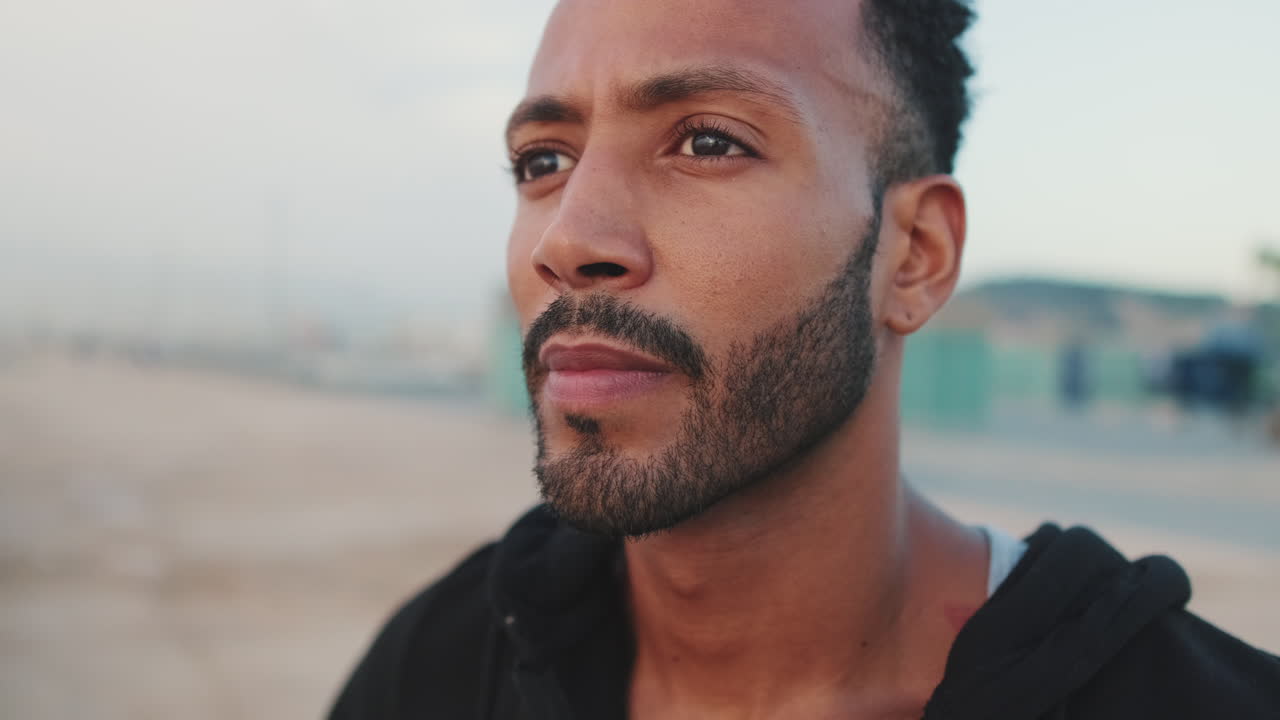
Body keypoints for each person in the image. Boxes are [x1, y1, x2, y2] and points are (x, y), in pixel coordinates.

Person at [329, 0, 1280, 717]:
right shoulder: (441, 666)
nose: (568, 238)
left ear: (914, 256)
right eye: (543, 161)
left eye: (707, 141)